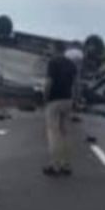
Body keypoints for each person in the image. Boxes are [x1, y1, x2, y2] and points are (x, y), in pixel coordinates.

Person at [43, 40, 78, 177]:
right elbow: (76, 85)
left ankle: (54, 165)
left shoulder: (53, 62)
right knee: (65, 132)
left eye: (51, 48)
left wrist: (45, 98)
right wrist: (75, 100)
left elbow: (48, 82)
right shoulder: (71, 64)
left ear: (55, 49)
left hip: (54, 100)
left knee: (53, 133)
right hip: (67, 100)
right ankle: (66, 165)